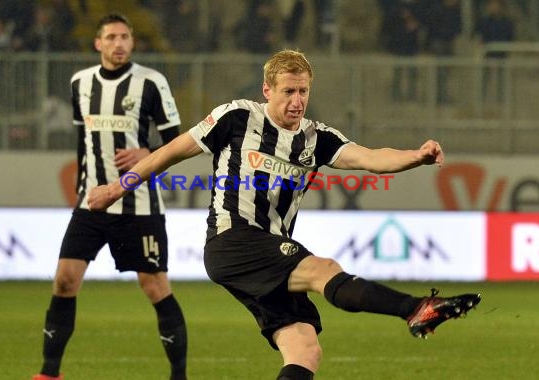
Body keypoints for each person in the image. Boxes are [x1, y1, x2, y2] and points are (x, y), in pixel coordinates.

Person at [88, 49, 481, 380]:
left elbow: (371, 158)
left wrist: (416, 156)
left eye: (303, 91)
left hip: (268, 251)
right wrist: (117, 187)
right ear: (267, 90)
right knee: (322, 268)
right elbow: (168, 152)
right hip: (232, 241)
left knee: (304, 347)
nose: (297, 101)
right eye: (289, 91)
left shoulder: (316, 138)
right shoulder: (236, 117)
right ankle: (414, 309)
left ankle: (413, 311)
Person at [33, 13, 187, 380]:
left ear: (132, 43)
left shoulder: (151, 82)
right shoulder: (80, 83)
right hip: (91, 203)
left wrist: (145, 154)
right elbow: (83, 141)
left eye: (125, 37)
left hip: (140, 204)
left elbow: (178, 142)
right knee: (65, 280)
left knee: (154, 286)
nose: (119, 43)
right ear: (98, 43)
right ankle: (49, 373)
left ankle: (179, 376)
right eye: (111, 37)